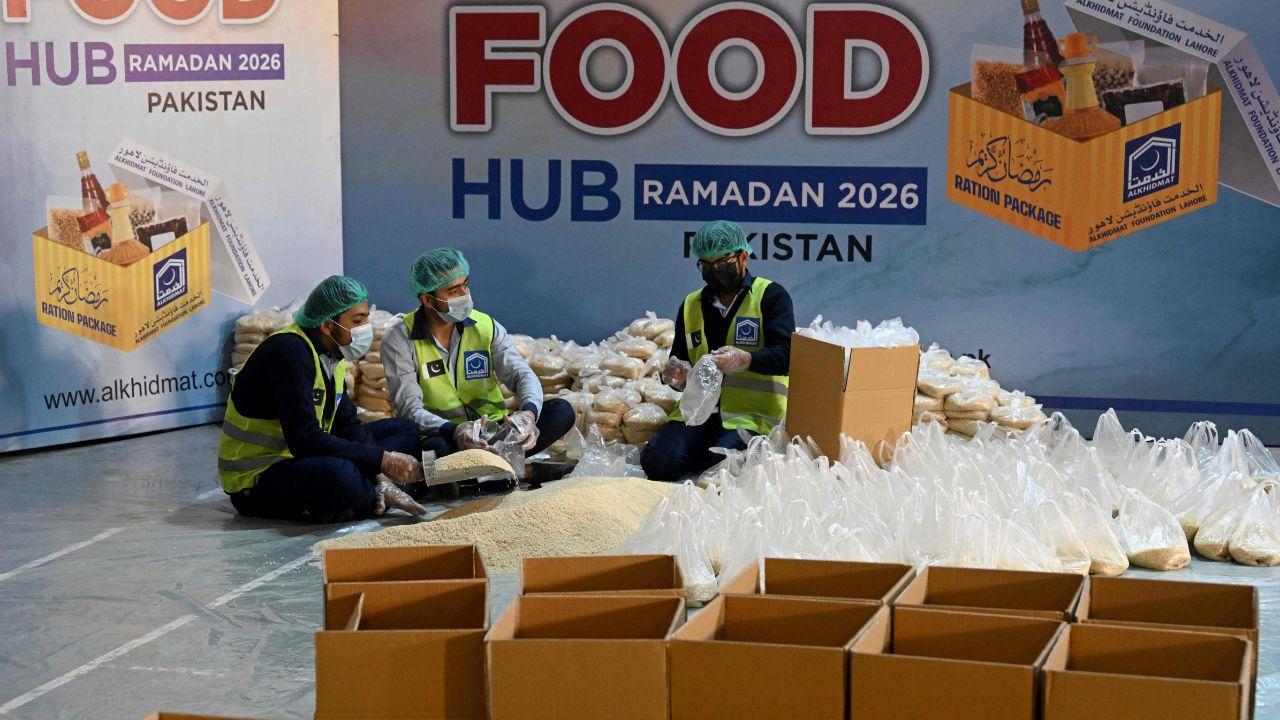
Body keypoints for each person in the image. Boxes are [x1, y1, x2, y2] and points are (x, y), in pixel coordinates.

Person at [217, 275, 428, 522]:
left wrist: (380, 474)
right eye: (358, 320)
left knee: (405, 430)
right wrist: (382, 460)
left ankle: (370, 492)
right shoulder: (289, 352)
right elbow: (304, 439)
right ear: (328, 325)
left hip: (305, 458)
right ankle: (362, 495)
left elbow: (347, 424)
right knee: (343, 476)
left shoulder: (332, 357)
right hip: (258, 477)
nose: (366, 328)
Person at [381, 248, 576, 485]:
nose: (465, 294)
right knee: (435, 449)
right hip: (447, 435)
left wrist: (528, 414)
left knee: (561, 410)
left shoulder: (484, 325)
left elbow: (520, 374)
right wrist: (455, 429)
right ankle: (520, 471)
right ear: (427, 299)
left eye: (466, 285)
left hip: (496, 433)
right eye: (454, 291)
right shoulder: (399, 339)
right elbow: (410, 409)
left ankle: (472, 475)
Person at [641, 220, 794, 481]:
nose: (715, 271)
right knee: (658, 463)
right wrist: (676, 380)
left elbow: (787, 357)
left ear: (743, 256)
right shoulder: (691, 304)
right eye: (706, 265)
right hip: (698, 414)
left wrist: (745, 359)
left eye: (722, 263)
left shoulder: (770, 296)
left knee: (725, 469)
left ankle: (712, 456)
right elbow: (681, 362)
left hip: (751, 417)